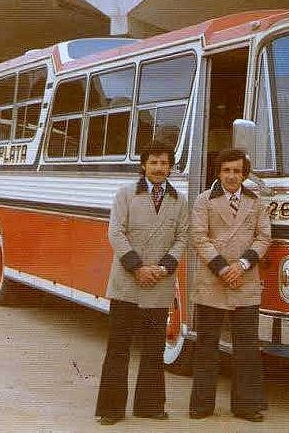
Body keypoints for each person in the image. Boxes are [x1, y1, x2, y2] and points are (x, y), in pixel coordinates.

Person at [95, 142, 188, 426]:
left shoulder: (180, 201)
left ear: (171, 167)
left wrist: (163, 267)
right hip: (127, 281)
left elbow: (182, 238)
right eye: (154, 162)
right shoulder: (125, 194)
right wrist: (137, 268)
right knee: (118, 347)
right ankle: (111, 410)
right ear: (143, 166)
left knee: (153, 348)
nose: (160, 168)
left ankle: (149, 406)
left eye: (165, 163)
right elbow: (116, 233)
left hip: (159, 284)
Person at [189, 148, 272, 422]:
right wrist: (224, 268)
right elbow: (199, 238)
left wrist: (243, 266)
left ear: (244, 174)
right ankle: (201, 406)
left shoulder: (256, 203)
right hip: (213, 280)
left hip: (245, 281)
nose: (232, 176)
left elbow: (263, 238)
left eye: (237, 171)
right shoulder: (204, 201)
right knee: (207, 346)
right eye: (227, 170)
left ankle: (246, 406)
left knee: (246, 347)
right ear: (219, 172)